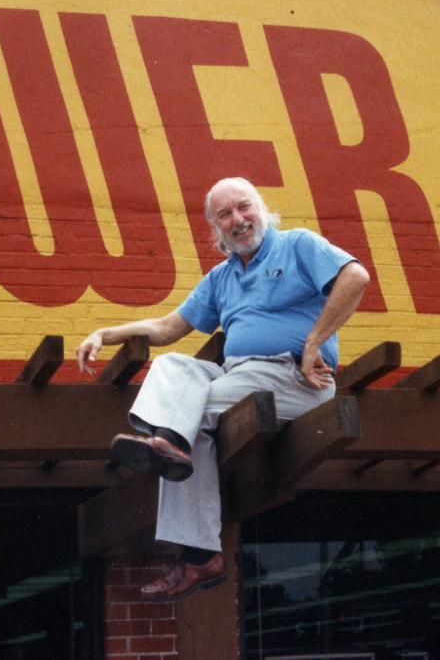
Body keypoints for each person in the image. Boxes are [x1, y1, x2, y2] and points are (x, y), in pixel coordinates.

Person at [76, 177, 370, 602]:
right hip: (239, 379)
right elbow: (166, 328)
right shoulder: (220, 277)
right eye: (225, 215)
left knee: (187, 415)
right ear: (215, 228)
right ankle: (199, 552)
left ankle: (169, 446)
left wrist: (312, 343)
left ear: (262, 208)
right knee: (173, 368)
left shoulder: (298, 244)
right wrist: (106, 332)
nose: (238, 220)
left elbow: (356, 277)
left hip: (294, 379)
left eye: (244, 207)